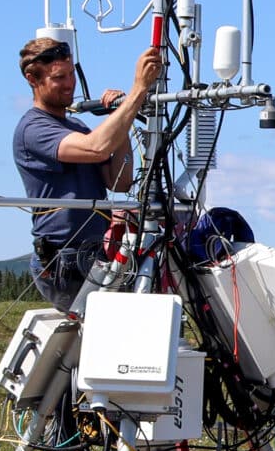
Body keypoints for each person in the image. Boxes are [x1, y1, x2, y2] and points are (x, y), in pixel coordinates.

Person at [12, 36, 162, 311]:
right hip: (64, 260)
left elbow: (120, 180)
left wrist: (120, 116)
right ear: (33, 79)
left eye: (71, 74)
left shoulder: (77, 127)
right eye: (59, 78)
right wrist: (138, 89)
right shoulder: (33, 130)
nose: (70, 84)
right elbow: (97, 149)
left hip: (94, 253)